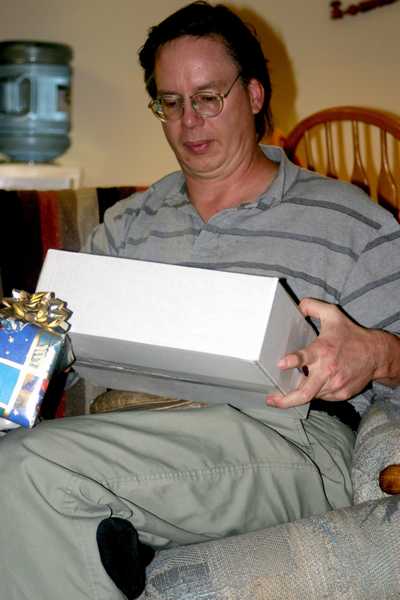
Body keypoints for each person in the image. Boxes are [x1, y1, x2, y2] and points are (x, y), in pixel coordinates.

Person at [1, 2, 400, 599]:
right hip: (123, 430)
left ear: (255, 95)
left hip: (284, 434)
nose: (189, 122)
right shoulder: (126, 224)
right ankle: (110, 539)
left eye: (208, 98)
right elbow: (46, 352)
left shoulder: (352, 221)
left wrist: (376, 354)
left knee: (25, 469)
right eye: (171, 102)